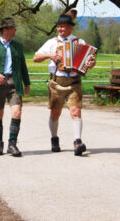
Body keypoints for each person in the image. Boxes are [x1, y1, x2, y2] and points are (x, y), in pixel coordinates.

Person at [33, 9, 96, 156]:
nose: (60, 29)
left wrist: (91, 63)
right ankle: (54, 139)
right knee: (55, 113)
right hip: (56, 82)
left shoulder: (80, 42)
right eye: (59, 26)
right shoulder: (51, 42)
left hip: (74, 81)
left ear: (70, 28)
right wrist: (50, 55)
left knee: (76, 111)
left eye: (63, 26)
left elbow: (88, 62)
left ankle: (77, 141)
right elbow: (36, 57)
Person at [0, 17, 31, 157]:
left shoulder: (18, 46)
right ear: (5, 30)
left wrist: (27, 83)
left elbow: (23, 66)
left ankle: (12, 144)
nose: (15, 30)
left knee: (17, 112)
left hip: (14, 84)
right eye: (12, 28)